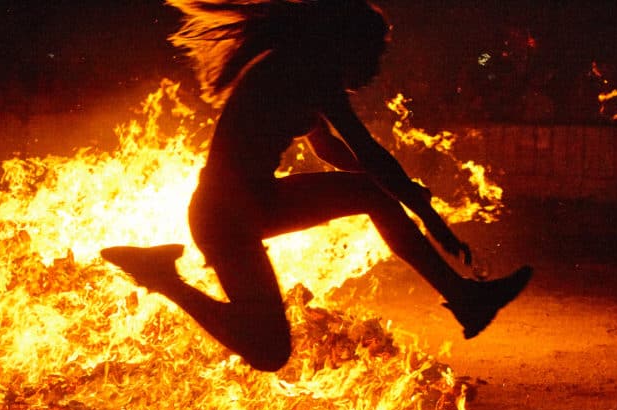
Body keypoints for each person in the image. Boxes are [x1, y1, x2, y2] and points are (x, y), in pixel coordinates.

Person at [101, 0, 532, 372]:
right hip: (226, 216)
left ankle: (464, 298)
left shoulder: (298, 68)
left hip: (248, 206)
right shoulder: (304, 69)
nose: (377, 67)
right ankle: (164, 279)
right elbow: (365, 150)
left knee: (366, 194)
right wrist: (431, 219)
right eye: (375, 53)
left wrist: (395, 192)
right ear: (346, 43)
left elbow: (330, 149)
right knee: (269, 351)